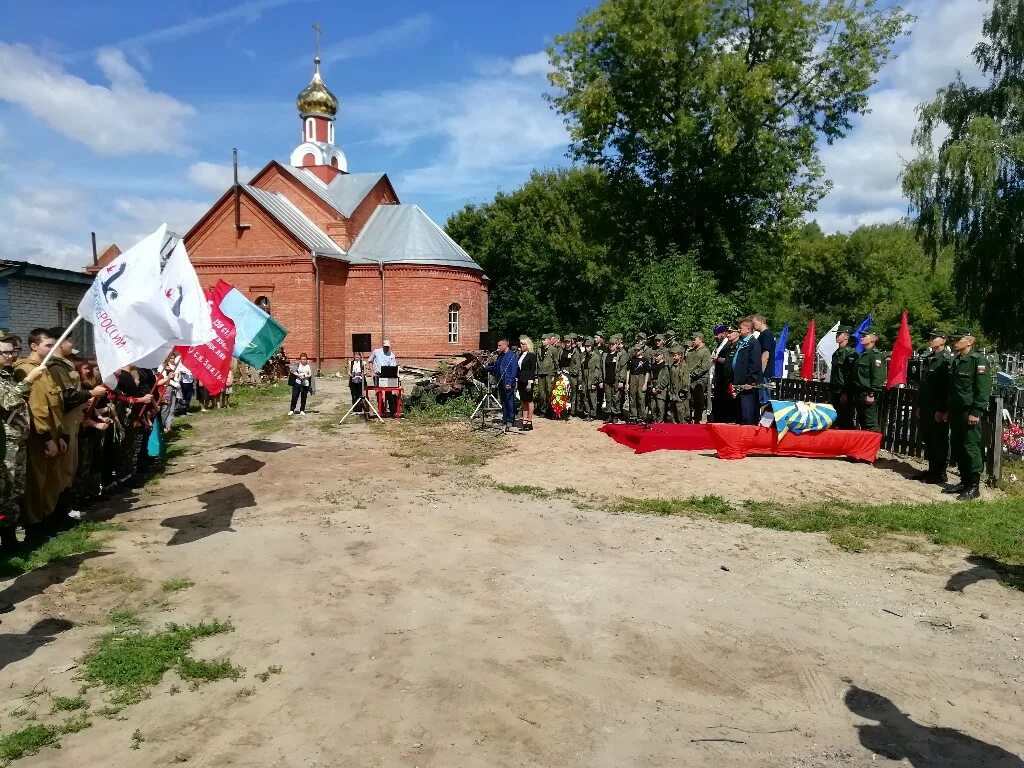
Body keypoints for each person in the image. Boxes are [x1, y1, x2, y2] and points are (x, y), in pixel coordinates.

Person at [13, 329, 65, 541]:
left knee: (52, 480)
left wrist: (59, 435)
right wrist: (46, 438)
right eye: (47, 345)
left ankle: (47, 520)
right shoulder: (26, 370)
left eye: (54, 344)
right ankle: (34, 527)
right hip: (39, 436)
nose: (52, 348)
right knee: (37, 482)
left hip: (53, 433)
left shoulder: (47, 370)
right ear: (33, 346)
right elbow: (36, 408)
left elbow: (55, 406)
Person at [0, 332, 45, 550]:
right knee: (5, 490)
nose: (10, 356)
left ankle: (11, 537)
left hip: (17, 441)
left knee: (16, 489)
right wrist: (29, 380)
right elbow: (8, 402)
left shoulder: (6, 376)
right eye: (5, 352)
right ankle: (6, 540)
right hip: (5, 444)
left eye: (12, 351)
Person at [943, 329, 992, 500]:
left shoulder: (978, 361)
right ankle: (964, 481)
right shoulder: (957, 361)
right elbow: (952, 389)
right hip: (956, 410)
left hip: (968, 412)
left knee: (971, 447)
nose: (954, 342)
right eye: (954, 339)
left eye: (958, 339)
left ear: (969, 341)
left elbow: (982, 389)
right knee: (957, 445)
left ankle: (974, 486)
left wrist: (976, 411)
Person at [915, 329, 952, 485]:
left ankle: (940, 473)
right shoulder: (930, 358)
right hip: (927, 406)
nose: (931, 339)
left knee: (939, 440)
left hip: (938, 407)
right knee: (928, 439)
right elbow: (924, 385)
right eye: (930, 337)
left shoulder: (946, 360)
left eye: (934, 337)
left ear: (943, 340)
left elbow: (946, 388)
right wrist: (919, 405)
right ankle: (931, 470)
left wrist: (942, 409)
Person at [853, 327, 886, 433]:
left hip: (868, 393)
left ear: (873, 338)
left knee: (870, 423)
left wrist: (872, 393)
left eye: (864, 336)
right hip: (859, 393)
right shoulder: (863, 354)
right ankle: (866, 447)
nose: (861, 338)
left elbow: (878, 376)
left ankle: (873, 447)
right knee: (863, 422)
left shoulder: (875, 355)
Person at [733, 320, 764, 425]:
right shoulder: (743, 343)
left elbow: (754, 364)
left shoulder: (753, 343)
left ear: (748, 329)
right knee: (741, 410)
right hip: (740, 382)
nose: (738, 330)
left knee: (748, 409)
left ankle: (748, 430)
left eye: (741, 328)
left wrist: (750, 381)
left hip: (747, 383)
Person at [486, 339, 519, 433]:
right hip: (500, 382)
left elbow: (513, 370)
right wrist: (487, 368)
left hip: (508, 382)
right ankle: (504, 419)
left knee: (510, 402)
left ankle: (510, 420)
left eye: (500, 345)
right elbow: (496, 368)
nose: (498, 347)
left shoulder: (512, 356)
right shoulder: (500, 356)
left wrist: (509, 382)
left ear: (505, 345)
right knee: (503, 402)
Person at [830, 325, 857, 429]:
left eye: (839, 334)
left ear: (846, 336)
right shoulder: (836, 353)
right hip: (835, 390)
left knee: (845, 419)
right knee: (835, 419)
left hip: (844, 391)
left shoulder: (850, 353)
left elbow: (850, 375)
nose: (837, 336)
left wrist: (845, 393)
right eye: (837, 334)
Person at [685, 333, 712, 424]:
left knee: (698, 401)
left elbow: (705, 366)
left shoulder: (705, 351)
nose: (693, 341)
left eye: (694, 339)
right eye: (692, 339)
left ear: (700, 339)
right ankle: (688, 418)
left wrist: (694, 374)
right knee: (687, 400)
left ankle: (697, 419)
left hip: (700, 379)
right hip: (689, 379)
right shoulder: (690, 352)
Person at [369, 339, 399, 416]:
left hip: (387, 375)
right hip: (378, 374)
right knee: (379, 393)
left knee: (389, 392)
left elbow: (393, 366)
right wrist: (372, 372)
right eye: (385, 346)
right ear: (382, 346)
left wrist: (395, 377)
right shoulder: (376, 352)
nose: (386, 348)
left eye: (388, 347)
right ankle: (381, 411)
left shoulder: (391, 355)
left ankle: (392, 411)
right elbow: (370, 361)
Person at [517, 336, 538, 431]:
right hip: (521, 379)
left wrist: (530, 382)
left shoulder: (531, 355)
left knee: (529, 400)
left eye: (523, 344)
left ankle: (529, 420)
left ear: (527, 345)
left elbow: (532, 370)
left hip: (528, 380)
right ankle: (524, 419)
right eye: (520, 344)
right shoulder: (521, 355)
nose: (521, 345)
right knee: (523, 400)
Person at [626, 345, 650, 423]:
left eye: (638, 350)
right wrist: (627, 383)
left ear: (642, 350)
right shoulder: (631, 360)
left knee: (641, 398)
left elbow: (647, 372)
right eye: (635, 350)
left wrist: (645, 384)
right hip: (632, 378)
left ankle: (641, 417)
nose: (636, 352)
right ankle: (633, 416)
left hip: (641, 378)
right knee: (632, 398)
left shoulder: (645, 360)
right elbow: (628, 371)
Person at [602, 336, 622, 424]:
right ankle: (609, 415)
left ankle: (615, 415)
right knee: (608, 398)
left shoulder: (619, 355)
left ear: (617, 345)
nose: (611, 346)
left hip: (616, 380)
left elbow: (623, 369)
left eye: (613, 344)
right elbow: (601, 368)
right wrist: (601, 380)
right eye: (610, 344)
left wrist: (621, 380)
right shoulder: (605, 355)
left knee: (616, 399)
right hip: (607, 379)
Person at [667, 347, 689, 424]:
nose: (674, 357)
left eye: (675, 355)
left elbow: (686, 378)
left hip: (680, 391)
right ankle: (675, 423)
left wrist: (684, 389)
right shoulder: (672, 366)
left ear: (680, 355)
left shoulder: (684, 365)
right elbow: (670, 378)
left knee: (680, 409)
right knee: (672, 409)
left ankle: (682, 423)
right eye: (673, 355)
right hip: (673, 391)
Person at [648, 349, 670, 422]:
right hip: (653, 387)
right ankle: (654, 421)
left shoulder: (665, 366)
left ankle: (660, 421)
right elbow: (650, 377)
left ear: (662, 356)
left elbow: (666, 379)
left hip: (661, 389)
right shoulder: (653, 366)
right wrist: (651, 387)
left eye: (657, 356)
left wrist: (658, 388)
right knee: (653, 406)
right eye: (655, 356)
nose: (655, 357)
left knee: (660, 406)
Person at [752, 315, 775, 380]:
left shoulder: (767, 334)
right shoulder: (762, 334)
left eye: (754, 323)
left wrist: (760, 373)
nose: (753, 325)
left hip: (764, 373)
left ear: (761, 322)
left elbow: (765, 355)